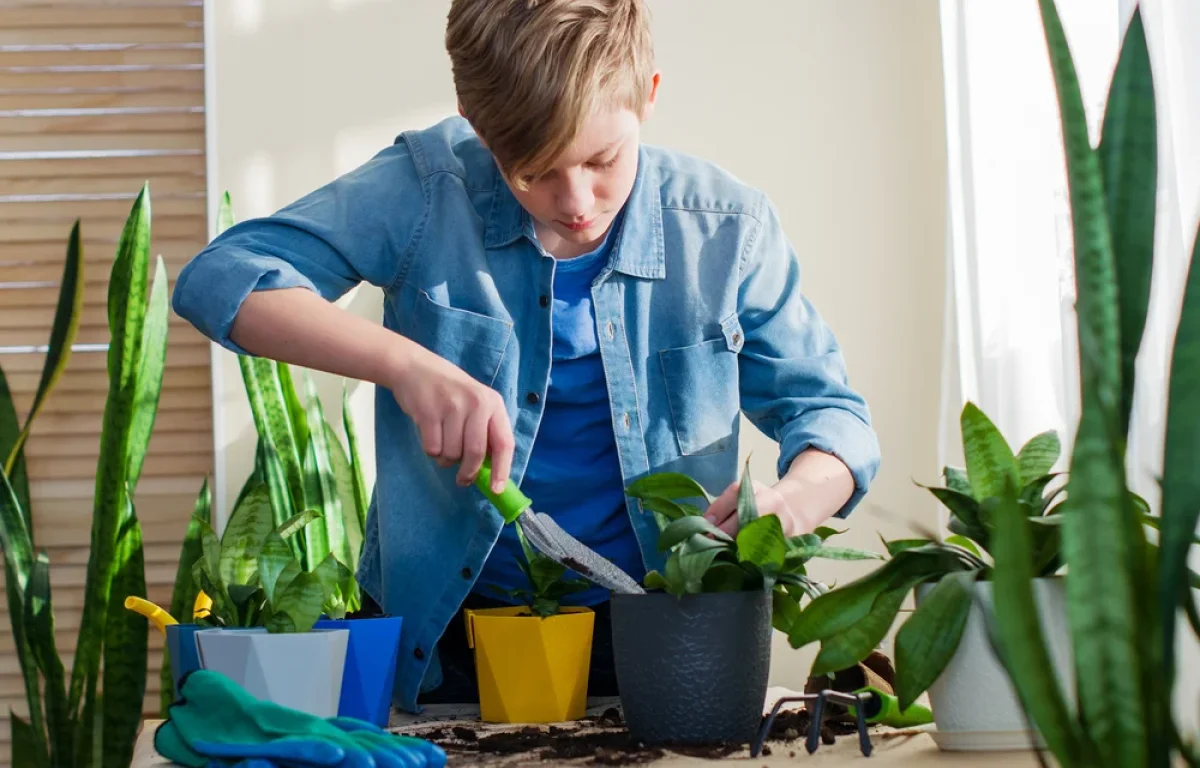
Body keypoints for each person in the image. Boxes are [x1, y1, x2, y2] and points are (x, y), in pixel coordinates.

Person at [172, 0, 881, 713]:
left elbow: (834, 419)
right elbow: (221, 277)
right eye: (532, 170)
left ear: (649, 96)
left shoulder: (727, 231)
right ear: (479, 127)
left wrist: (789, 503)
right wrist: (405, 364)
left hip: (665, 632)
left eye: (603, 159)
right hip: (450, 642)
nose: (575, 202)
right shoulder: (425, 188)